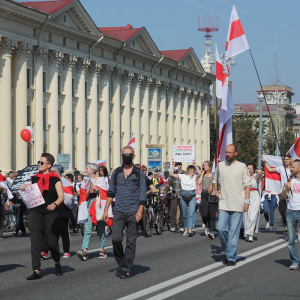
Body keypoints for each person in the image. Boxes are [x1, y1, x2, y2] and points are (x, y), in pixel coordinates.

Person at [103, 146, 147, 279]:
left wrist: (140, 210)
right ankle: (122, 263)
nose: (127, 156)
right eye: (125, 154)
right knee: (116, 239)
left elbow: (142, 194)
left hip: (133, 212)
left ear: (133, 157)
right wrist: (106, 209)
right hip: (118, 211)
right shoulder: (116, 172)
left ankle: (127, 268)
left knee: (131, 241)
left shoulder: (139, 173)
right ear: (121, 156)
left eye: (129, 154)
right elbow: (111, 192)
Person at [25, 153, 64, 280]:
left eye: (41, 162)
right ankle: (36, 270)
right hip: (35, 212)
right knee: (35, 243)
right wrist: (25, 188)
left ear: (49, 165)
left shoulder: (55, 179)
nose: (39, 164)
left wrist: (54, 204)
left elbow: (61, 197)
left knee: (52, 243)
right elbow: (30, 191)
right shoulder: (35, 178)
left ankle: (57, 263)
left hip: (51, 213)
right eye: (38, 162)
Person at [213, 144, 251, 266]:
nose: (228, 154)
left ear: (235, 153)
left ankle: (230, 257)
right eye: (226, 152)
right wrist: (216, 191)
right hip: (224, 202)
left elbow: (247, 185)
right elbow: (215, 180)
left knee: (234, 232)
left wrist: (247, 201)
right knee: (220, 228)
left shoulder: (241, 166)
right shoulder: (220, 165)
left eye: (230, 152)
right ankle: (228, 250)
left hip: (238, 203)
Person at [77, 163, 108, 261]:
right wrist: (87, 192)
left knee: (101, 228)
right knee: (87, 228)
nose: (85, 170)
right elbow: (83, 195)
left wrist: (97, 189)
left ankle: (102, 250)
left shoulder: (103, 180)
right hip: (89, 205)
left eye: (87, 169)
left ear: (93, 170)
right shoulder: (85, 181)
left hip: (99, 205)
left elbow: (107, 193)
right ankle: (84, 250)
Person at [41, 164, 73, 259]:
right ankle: (45, 251)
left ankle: (66, 250)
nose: (51, 173)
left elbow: (70, 197)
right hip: (52, 209)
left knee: (64, 231)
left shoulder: (66, 182)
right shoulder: (49, 181)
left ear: (58, 172)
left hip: (63, 209)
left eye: (53, 171)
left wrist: (60, 195)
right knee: (49, 230)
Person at [170, 161, 201, 237]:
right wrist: (173, 165)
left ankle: (190, 229)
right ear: (189, 170)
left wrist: (195, 165)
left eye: (194, 170)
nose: (194, 172)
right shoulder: (182, 176)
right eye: (193, 170)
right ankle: (185, 229)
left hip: (192, 195)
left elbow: (200, 174)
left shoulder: (194, 177)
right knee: (184, 214)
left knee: (191, 214)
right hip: (183, 195)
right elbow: (171, 174)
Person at [262, 154, 291, 234]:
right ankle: (287, 224)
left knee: (290, 210)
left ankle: (289, 227)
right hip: (283, 192)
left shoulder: (293, 169)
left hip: (292, 193)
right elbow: (270, 170)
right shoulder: (281, 168)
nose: (286, 160)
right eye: (285, 159)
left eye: (287, 159)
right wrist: (264, 161)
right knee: (282, 211)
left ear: (290, 160)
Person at [281, 159, 300, 270]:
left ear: (299, 168)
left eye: (292, 167)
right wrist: (285, 189)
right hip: (291, 212)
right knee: (291, 240)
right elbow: (283, 197)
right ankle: (294, 262)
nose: (290, 169)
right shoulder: (289, 180)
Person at [243, 163, 262, 242]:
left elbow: (260, 172)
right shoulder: (244, 177)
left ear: (254, 169)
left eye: (250, 169)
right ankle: (246, 233)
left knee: (253, 215)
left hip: (254, 195)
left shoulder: (255, 177)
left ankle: (250, 234)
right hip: (245, 196)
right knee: (246, 216)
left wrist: (255, 171)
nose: (249, 170)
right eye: (248, 168)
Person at [164, 162, 185, 232]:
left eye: (176, 166)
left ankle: (181, 225)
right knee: (173, 209)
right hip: (174, 194)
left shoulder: (185, 174)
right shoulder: (173, 174)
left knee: (182, 210)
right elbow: (168, 183)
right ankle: (173, 225)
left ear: (180, 166)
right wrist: (164, 192)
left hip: (182, 194)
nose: (175, 167)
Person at [198, 161, 215, 238]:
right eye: (203, 165)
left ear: (209, 166)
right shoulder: (203, 175)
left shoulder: (213, 175)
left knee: (211, 213)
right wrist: (202, 173)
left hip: (212, 195)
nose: (204, 166)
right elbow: (199, 182)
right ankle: (206, 224)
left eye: (205, 165)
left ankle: (211, 230)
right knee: (204, 212)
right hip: (204, 194)